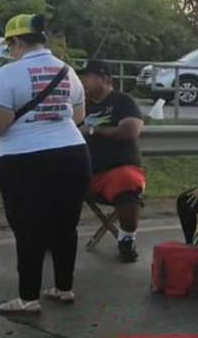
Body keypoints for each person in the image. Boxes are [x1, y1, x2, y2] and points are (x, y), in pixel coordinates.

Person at [0, 14, 91, 314]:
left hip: (25, 158)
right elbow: (78, 117)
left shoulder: (9, 75)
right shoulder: (68, 72)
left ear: (15, 42)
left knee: (29, 228)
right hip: (73, 154)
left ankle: (28, 298)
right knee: (66, 225)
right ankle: (63, 288)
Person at [78, 60, 145, 263]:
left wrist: (92, 130)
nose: (83, 81)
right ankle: (51, 235)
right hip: (82, 170)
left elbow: (131, 131)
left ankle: (126, 238)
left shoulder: (122, 101)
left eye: (88, 76)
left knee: (126, 181)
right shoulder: (79, 104)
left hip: (116, 170)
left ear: (105, 79)